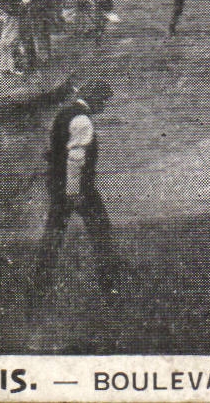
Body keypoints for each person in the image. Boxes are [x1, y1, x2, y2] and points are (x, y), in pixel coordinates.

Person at [31, 80, 121, 296]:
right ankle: (110, 280)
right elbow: (76, 158)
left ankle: (40, 280)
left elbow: (56, 149)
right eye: (103, 101)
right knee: (101, 229)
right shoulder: (83, 121)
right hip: (78, 187)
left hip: (58, 183)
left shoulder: (65, 114)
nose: (103, 107)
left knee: (54, 231)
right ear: (95, 99)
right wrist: (74, 192)